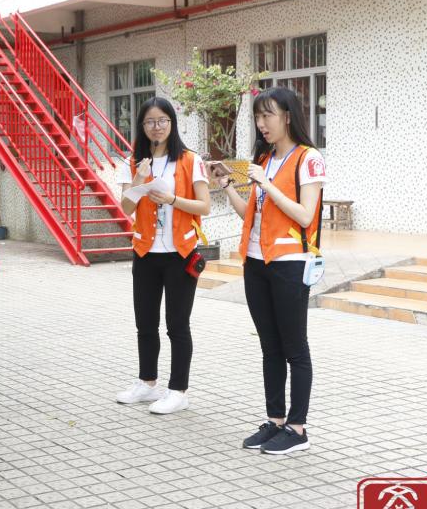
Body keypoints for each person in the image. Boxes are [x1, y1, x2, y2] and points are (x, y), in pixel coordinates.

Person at [214, 86, 324, 456]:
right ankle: (275, 421)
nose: (261, 123)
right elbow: (251, 215)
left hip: (290, 262)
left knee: (295, 347)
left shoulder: (308, 158)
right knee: (269, 346)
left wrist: (268, 184)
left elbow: (305, 216)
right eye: (258, 117)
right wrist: (228, 185)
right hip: (256, 261)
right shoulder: (264, 159)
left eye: (268, 115)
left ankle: (298, 429)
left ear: (288, 117)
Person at [115, 97, 210, 415]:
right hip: (145, 252)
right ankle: (147, 383)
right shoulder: (134, 161)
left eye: (162, 121)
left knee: (177, 325)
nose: (156, 127)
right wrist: (138, 180)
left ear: (172, 123)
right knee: (145, 323)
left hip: (180, 253)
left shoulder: (190, 160)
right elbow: (125, 208)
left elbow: (204, 207)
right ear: (142, 126)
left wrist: (172, 199)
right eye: (150, 122)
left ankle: (179, 391)